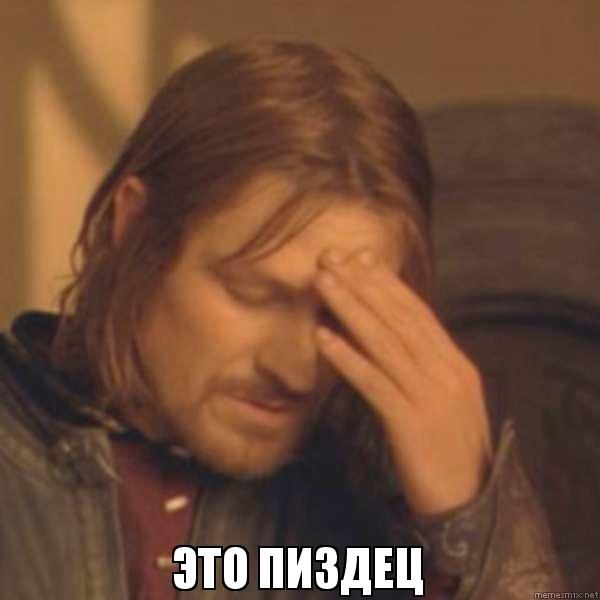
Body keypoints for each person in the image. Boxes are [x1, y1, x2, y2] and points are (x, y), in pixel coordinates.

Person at [0, 38, 562, 599]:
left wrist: (476, 528)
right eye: (254, 294)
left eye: (339, 317)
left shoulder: (359, 520)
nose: (295, 371)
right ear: (135, 226)